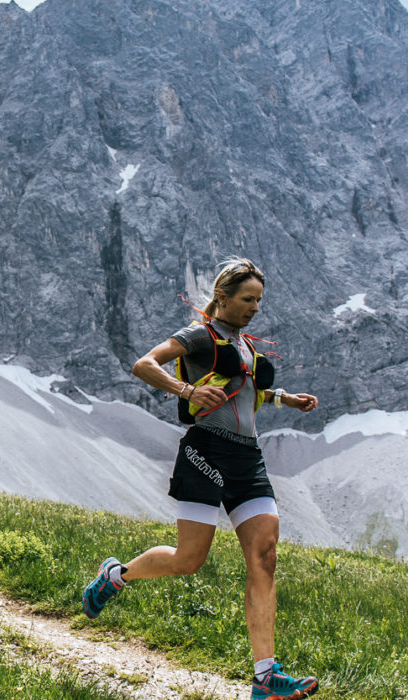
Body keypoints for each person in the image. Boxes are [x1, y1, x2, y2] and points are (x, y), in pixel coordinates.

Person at [81, 258, 321, 700]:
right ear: (223, 297)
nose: (254, 308)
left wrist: (285, 399)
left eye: (259, 301)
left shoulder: (245, 344)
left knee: (265, 555)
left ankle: (266, 679)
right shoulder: (197, 335)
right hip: (205, 451)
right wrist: (187, 391)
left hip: (247, 459)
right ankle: (116, 576)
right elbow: (144, 364)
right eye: (247, 299)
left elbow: (247, 390)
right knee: (189, 560)